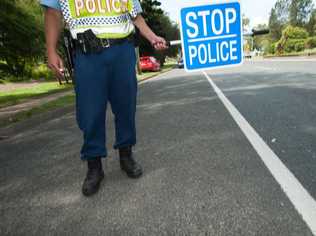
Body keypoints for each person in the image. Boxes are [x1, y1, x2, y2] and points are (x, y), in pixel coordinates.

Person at [40, 0, 167, 197]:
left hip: (122, 50)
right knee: (90, 112)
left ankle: (126, 155)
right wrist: (51, 50)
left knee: (126, 107)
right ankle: (94, 166)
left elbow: (135, 15)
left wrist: (152, 37)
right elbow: (52, 12)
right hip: (87, 52)